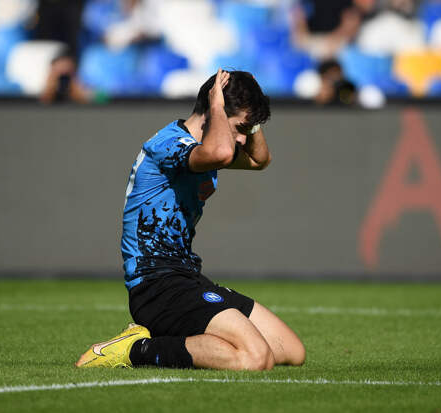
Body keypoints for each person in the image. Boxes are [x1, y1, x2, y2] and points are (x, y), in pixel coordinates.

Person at [75, 69, 306, 371]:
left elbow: (259, 159)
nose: (242, 138)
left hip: (186, 278)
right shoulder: (169, 144)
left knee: (290, 350)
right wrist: (217, 104)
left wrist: (251, 119)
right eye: (240, 127)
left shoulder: (207, 147)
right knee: (255, 357)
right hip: (156, 285)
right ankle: (135, 350)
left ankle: (177, 341)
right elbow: (221, 153)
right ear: (213, 110)